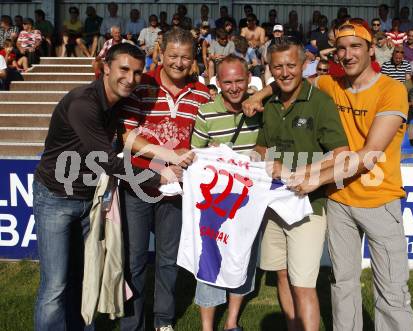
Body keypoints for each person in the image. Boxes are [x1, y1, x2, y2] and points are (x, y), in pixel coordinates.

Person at [243, 18, 413, 331]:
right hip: (339, 201)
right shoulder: (329, 84)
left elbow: (367, 155)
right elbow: (288, 76)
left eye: (355, 47)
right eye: (341, 49)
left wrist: (312, 176)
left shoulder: (392, 90)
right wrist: (259, 95)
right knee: (342, 283)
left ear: (371, 50)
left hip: (379, 199)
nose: (348, 55)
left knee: (391, 288)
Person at [33, 43, 187, 331]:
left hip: (87, 199)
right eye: (124, 69)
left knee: (83, 277)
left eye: (138, 72)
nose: (131, 78)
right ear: (106, 68)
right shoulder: (84, 103)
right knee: (55, 285)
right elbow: (106, 161)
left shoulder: (115, 105)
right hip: (55, 198)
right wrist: (158, 177)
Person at [118, 28, 210, 331]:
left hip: (176, 189)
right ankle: (132, 322)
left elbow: (206, 140)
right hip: (138, 183)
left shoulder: (201, 93)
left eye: (185, 57)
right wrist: (166, 160)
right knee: (134, 259)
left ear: (193, 57)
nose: (179, 63)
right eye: (173, 56)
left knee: (169, 260)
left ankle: (163, 321)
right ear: (161, 52)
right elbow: (127, 137)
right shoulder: (141, 86)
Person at [255, 40, 349, 331]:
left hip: (309, 205)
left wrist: (297, 172)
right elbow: (261, 147)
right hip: (274, 204)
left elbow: (341, 153)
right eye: (278, 66)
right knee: (281, 275)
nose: (284, 72)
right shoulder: (269, 104)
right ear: (270, 69)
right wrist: (254, 161)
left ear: (303, 66)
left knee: (303, 284)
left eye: (291, 65)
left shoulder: (319, 101)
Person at [191, 54, 262, 331]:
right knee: (209, 259)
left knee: (243, 257)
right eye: (227, 81)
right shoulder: (206, 111)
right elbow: (194, 153)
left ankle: (231, 322)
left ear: (249, 80)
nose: (234, 87)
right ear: (217, 82)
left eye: (239, 81)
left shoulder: (261, 108)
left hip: (247, 200)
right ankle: (207, 327)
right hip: (214, 200)